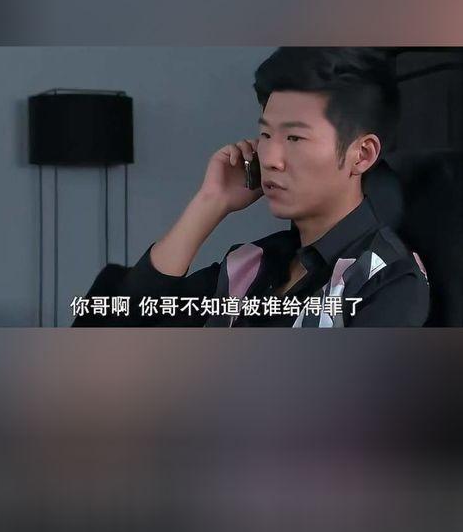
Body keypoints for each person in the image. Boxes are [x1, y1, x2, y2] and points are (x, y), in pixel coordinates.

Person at [75, 47, 430, 327]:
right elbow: (115, 327)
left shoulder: (387, 279)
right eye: (265, 134)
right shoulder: (251, 264)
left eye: (294, 137)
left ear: (362, 154)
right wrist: (210, 202)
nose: (270, 157)